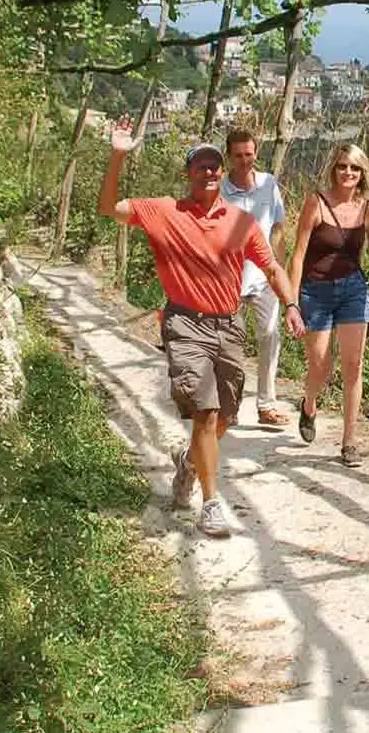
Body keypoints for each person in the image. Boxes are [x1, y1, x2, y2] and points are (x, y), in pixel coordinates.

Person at [99, 120, 305, 537]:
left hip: (229, 326)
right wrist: (118, 155)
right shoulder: (164, 211)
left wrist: (291, 304)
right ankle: (212, 503)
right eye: (201, 166)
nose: (209, 172)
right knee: (206, 412)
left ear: (222, 171)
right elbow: (108, 207)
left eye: (215, 166)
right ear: (188, 173)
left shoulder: (241, 221)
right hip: (185, 324)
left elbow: (272, 268)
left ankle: (190, 461)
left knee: (227, 414)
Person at [288, 143, 369, 467]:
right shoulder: (315, 204)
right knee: (321, 366)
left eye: (355, 168)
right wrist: (291, 304)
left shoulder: (368, 210)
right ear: (334, 169)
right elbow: (298, 255)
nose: (348, 173)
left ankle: (349, 441)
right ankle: (309, 405)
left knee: (354, 366)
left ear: (363, 174)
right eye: (343, 166)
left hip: (353, 291)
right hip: (315, 292)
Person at [219, 128, 290, 430]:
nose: (245, 160)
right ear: (229, 156)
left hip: (263, 278)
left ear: (255, 153)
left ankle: (266, 405)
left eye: (249, 154)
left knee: (270, 337)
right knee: (229, 345)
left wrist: (277, 265)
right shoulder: (219, 190)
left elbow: (279, 225)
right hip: (229, 281)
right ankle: (228, 405)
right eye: (238, 155)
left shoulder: (268, 184)